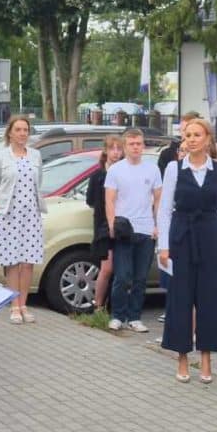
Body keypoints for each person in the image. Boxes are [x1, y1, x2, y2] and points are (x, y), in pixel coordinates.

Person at [158, 118, 217, 383]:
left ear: (208, 139)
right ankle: (181, 358)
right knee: (181, 298)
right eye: (187, 135)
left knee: (210, 299)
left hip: (210, 235)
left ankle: (206, 359)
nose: (191, 139)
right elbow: (165, 210)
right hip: (181, 235)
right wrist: (164, 246)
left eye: (196, 134)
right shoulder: (173, 168)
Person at [0, 115, 46, 324]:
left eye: (26, 130)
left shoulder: (36, 156)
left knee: (28, 261)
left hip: (31, 214)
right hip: (10, 215)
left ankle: (24, 304)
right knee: (12, 262)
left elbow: (38, 182)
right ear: (10, 133)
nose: (23, 134)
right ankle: (14, 305)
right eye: (19, 130)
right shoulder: (1, 157)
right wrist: (4, 203)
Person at [105, 128, 162, 332]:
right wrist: (111, 225)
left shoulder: (153, 170)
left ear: (143, 145)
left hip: (146, 231)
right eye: (132, 144)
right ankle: (117, 315)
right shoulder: (115, 170)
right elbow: (110, 200)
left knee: (140, 278)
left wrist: (158, 226)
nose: (136, 147)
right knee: (122, 276)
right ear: (125, 146)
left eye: (139, 143)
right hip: (124, 230)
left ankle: (135, 316)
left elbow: (158, 199)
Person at [86, 134, 124, 309]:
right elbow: (91, 200)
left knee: (121, 270)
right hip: (103, 226)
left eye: (119, 149)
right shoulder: (98, 175)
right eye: (112, 149)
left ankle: (115, 307)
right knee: (106, 268)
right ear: (106, 151)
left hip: (123, 225)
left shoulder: (125, 172)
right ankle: (98, 305)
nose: (116, 153)